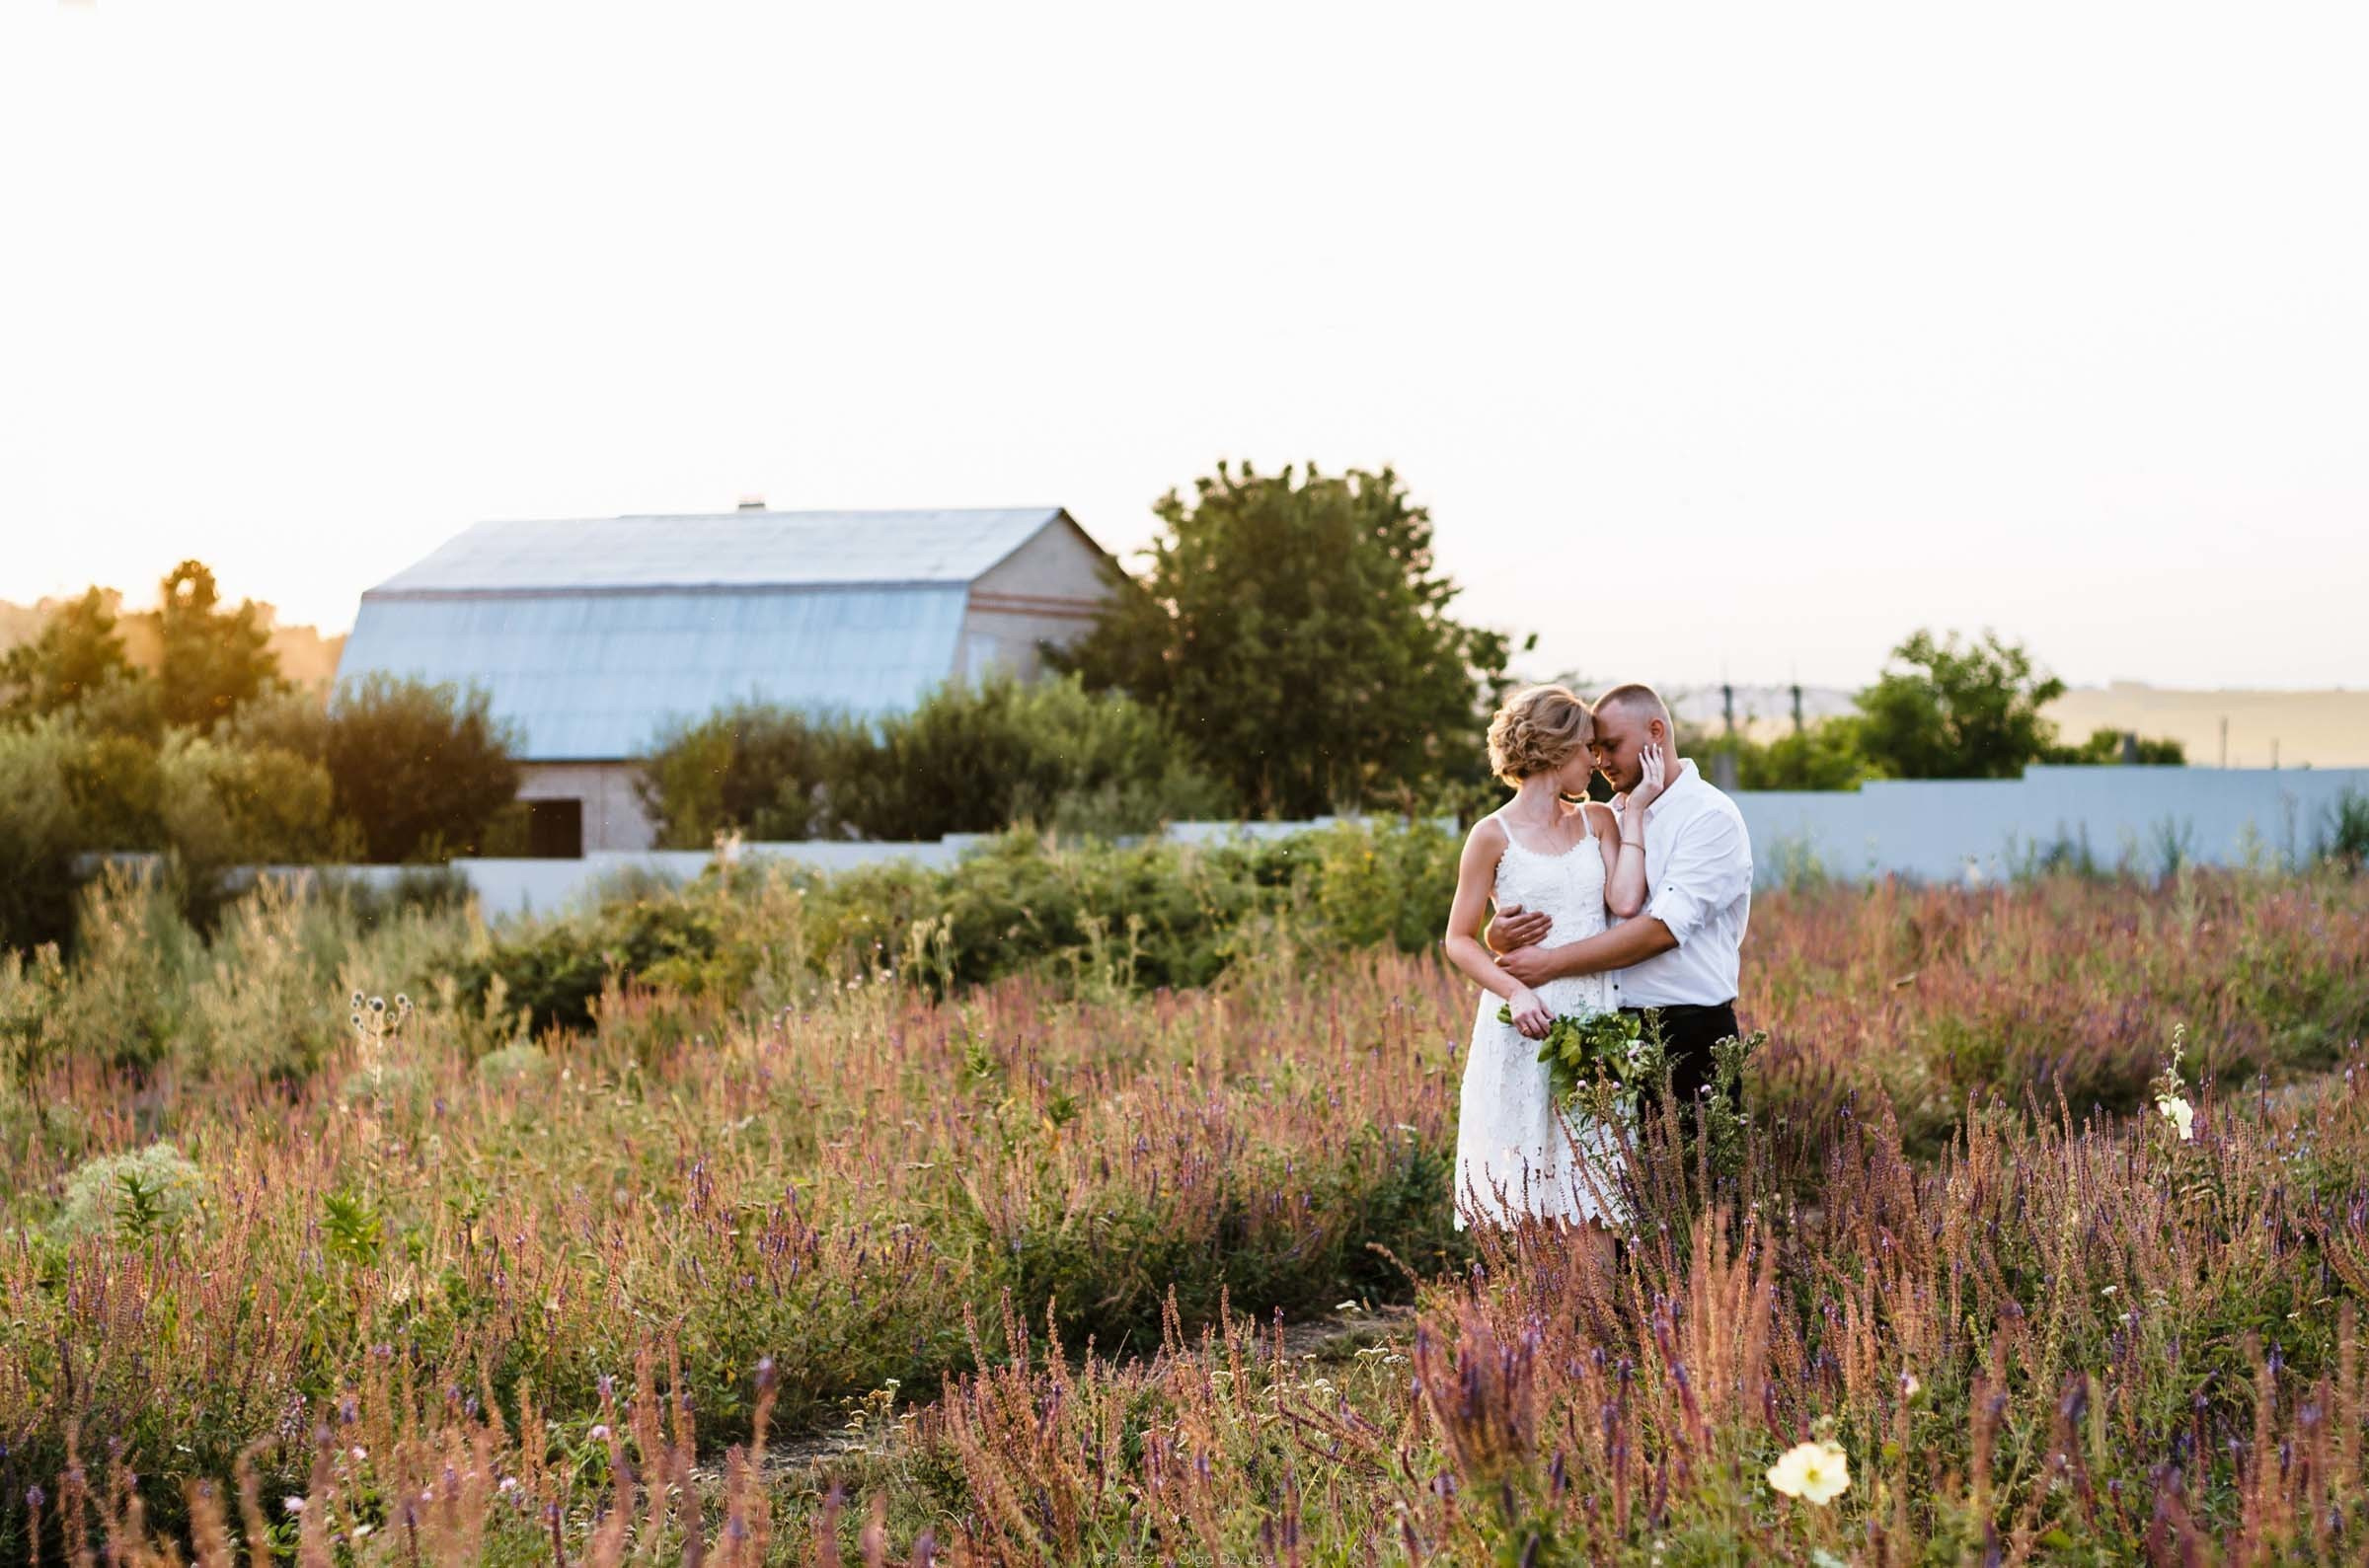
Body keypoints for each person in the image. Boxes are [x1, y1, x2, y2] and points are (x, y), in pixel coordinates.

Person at [1439, 684, 1667, 1276]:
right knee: (1534, 1192)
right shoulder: (1491, 835)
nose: (1595, 761)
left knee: (1592, 1188)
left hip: (1593, 1017)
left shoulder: (1597, 820)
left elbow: (1625, 898)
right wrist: (1513, 989)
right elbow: (1458, 938)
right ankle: (1551, 1342)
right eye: (1586, 748)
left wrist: (1635, 811)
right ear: (1555, 749)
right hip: (1524, 1024)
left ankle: (1598, 1336)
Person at [1490, 683, 1753, 1148]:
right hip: (1605, 1035)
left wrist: (1549, 964)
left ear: (1656, 731)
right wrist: (1500, 932)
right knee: (1617, 1202)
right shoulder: (1608, 814)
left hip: (1686, 1032)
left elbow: (1660, 931)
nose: (1600, 761)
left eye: (1610, 746)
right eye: (1592, 748)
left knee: (1702, 1199)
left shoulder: (1709, 817)